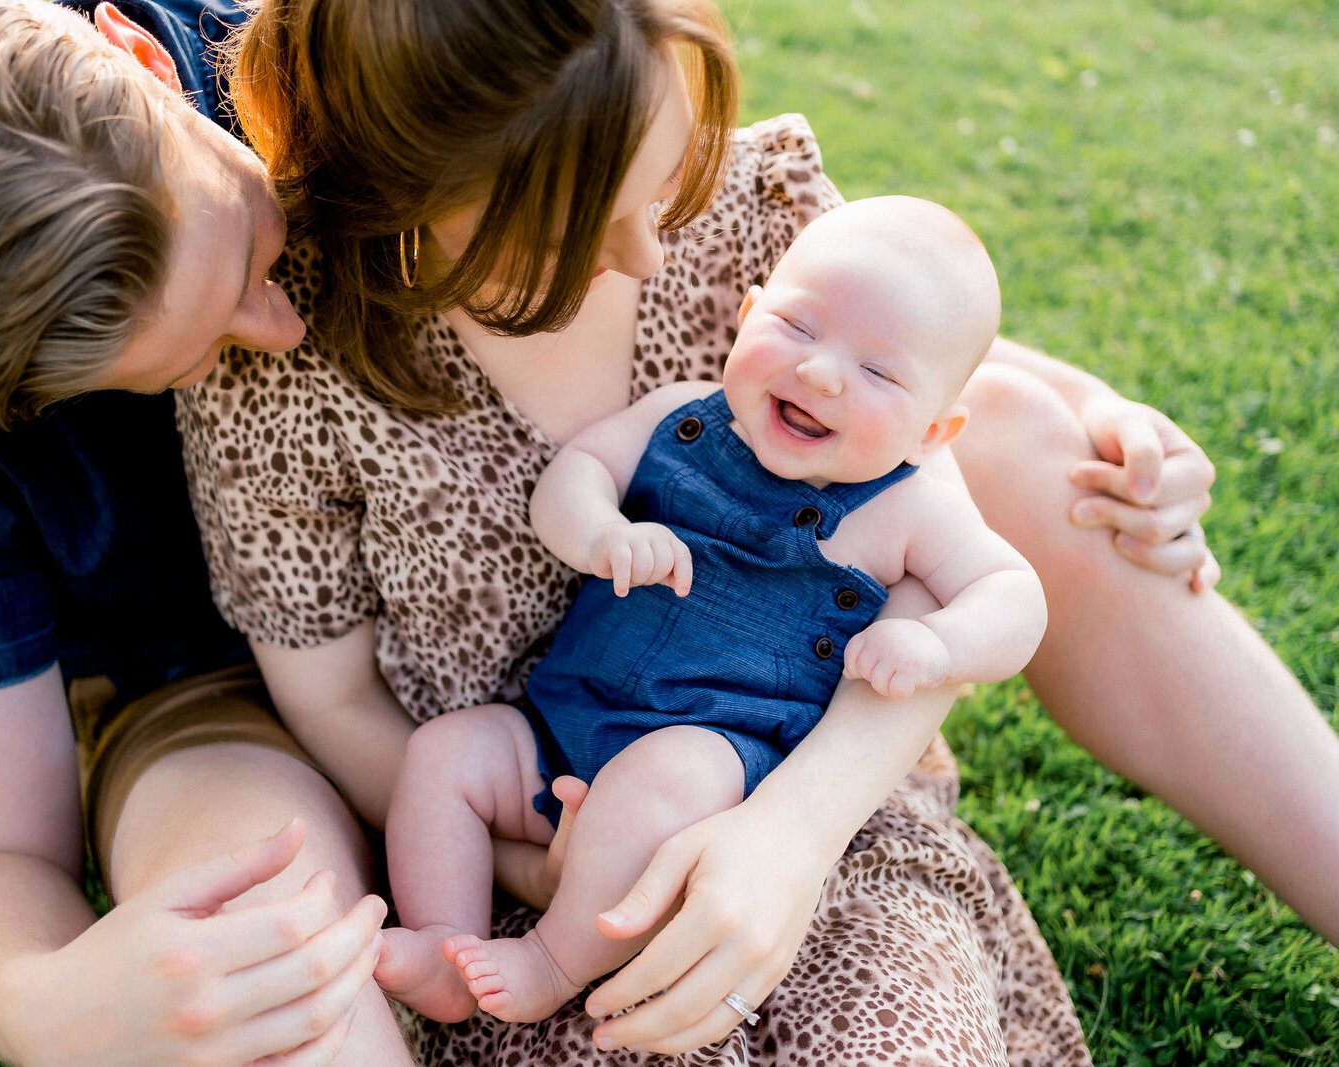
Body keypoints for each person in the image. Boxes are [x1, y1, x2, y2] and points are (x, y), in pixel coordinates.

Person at [187, 0, 1339, 1061]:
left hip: (809, 796)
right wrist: (533, 868)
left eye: (669, 180)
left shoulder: (743, 208)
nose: (651, 251)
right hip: (521, 839)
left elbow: (927, 409)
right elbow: (333, 695)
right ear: (416, 190)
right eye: (588, 220)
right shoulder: (284, 359)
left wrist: (1103, 411)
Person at [0, 0, 423, 1061]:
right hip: (205, 696)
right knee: (256, 957)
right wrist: (40, 999)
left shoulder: (361, 62)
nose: (283, 329)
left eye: (250, 263)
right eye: (195, 355)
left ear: (144, 61)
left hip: (520, 582)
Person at [381, 194, 1052, 1026]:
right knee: (448, 753)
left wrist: (938, 643)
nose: (820, 372)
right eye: (799, 327)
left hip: (715, 764)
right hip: (559, 727)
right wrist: (596, 530)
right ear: (748, 315)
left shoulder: (908, 510)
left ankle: (551, 960)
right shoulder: (681, 418)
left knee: (663, 782)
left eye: (878, 373)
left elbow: (1016, 599)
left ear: (931, 431)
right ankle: (446, 941)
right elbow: (581, 468)